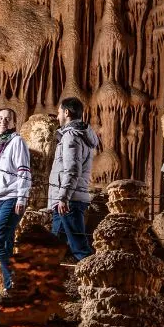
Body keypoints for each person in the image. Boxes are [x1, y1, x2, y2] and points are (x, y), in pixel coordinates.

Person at [48, 97, 99, 260]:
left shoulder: (71, 136)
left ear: (66, 112)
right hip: (67, 199)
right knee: (54, 246)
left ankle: (96, 278)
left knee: (79, 247)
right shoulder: (77, 135)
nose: (57, 117)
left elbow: (72, 169)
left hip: (69, 200)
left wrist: (63, 197)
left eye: (58, 113)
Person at [0, 107, 31, 290]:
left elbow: (24, 170)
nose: (3, 121)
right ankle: (10, 289)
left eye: (7, 118)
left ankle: (16, 277)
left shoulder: (17, 141)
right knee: (5, 244)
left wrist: (21, 198)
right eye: (0, 117)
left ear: (14, 123)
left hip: (12, 198)